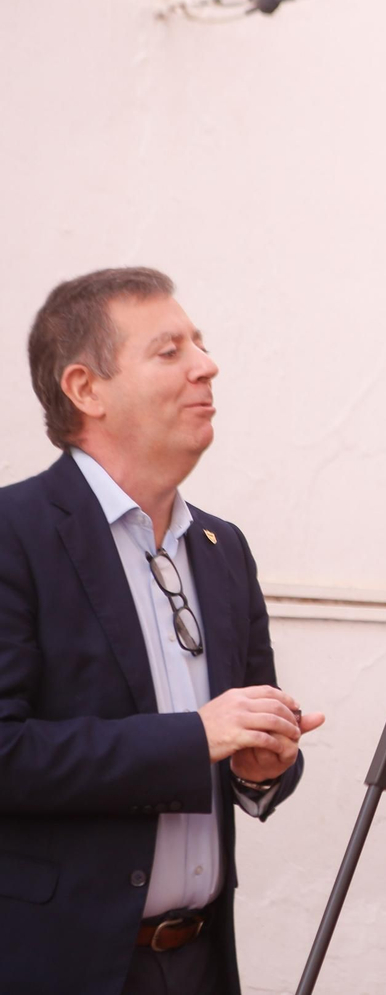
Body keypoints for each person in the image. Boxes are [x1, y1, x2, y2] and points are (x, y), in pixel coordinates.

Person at [0, 268, 325, 995]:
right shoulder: (13, 534)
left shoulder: (223, 547)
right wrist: (192, 739)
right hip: (62, 966)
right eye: (169, 350)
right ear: (86, 390)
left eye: (199, 345)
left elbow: (239, 742)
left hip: (203, 960)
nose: (206, 366)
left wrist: (261, 767)